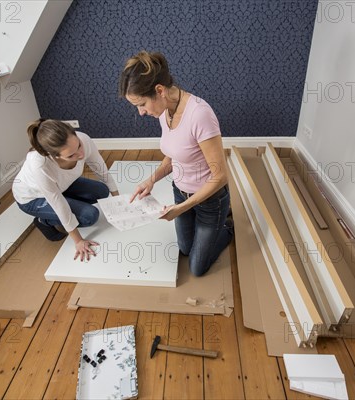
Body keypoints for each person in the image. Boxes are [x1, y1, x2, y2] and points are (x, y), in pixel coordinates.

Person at [119, 51, 233, 277]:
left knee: (197, 268)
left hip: (210, 199)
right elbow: (173, 156)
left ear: (159, 91)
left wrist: (181, 209)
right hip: (180, 193)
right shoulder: (164, 111)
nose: (141, 113)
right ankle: (210, 226)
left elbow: (220, 176)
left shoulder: (200, 114)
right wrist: (150, 180)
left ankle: (228, 224)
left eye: (141, 104)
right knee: (184, 249)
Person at [12, 119, 118, 261]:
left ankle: (71, 205)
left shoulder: (83, 139)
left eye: (79, 146)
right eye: (71, 155)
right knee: (90, 216)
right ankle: (44, 221)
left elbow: (101, 170)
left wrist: (118, 201)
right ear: (54, 155)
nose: (80, 154)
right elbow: (57, 202)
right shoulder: (40, 165)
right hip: (32, 199)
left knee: (102, 191)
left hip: (61, 187)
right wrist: (78, 241)